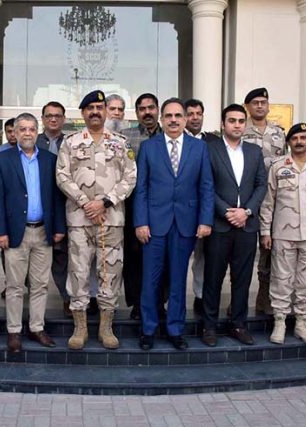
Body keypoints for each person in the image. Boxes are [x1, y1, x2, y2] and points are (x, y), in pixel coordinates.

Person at [56, 90, 136, 350]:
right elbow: (62, 176)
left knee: (109, 272)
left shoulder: (121, 143)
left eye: (99, 107)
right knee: (78, 272)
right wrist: (85, 203)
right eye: (89, 107)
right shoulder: (70, 142)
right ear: (82, 113)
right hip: (79, 219)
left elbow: (130, 178)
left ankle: (106, 327)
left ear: (105, 110)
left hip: (111, 219)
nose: (95, 112)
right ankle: (80, 328)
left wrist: (105, 202)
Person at [134, 97, 214, 351]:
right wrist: (140, 222)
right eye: (168, 116)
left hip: (185, 224)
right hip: (153, 225)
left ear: (186, 118)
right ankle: (148, 329)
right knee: (150, 280)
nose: (173, 120)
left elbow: (206, 187)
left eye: (178, 116)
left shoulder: (199, 148)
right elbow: (141, 189)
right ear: (161, 118)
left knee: (179, 280)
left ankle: (175, 329)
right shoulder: (149, 147)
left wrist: (205, 220)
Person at [0, 112, 66, 352]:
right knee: (14, 286)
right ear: (14, 132)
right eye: (22, 129)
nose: (27, 133)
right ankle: (14, 332)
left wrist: (59, 228)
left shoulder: (50, 160)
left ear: (37, 130)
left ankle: (36, 328)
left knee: (40, 284)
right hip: (14, 233)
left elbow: (57, 197)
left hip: (43, 232)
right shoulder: (2, 160)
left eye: (31, 129)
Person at [259, 123, 306, 344]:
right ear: (289, 142)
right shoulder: (278, 166)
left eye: (303, 137)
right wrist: (265, 231)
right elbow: (268, 202)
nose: (299, 141)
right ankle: (280, 322)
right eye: (295, 138)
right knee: (281, 279)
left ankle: (302, 323)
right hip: (283, 234)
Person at [201, 104, 267, 347]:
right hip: (220, 225)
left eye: (241, 120)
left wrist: (247, 211)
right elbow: (206, 185)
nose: (237, 125)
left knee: (242, 279)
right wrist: (227, 212)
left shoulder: (254, 152)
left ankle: (238, 324)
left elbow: (261, 185)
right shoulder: (210, 149)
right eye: (232, 120)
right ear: (223, 124)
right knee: (213, 278)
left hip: (246, 226)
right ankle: (209, 326)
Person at [242, 87, 287, 315]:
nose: (260, 106)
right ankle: (238, 299)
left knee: (269, 251)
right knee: (242, 252)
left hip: (273, 200)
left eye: (263, 102)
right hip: (247, 199)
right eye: (255, 102)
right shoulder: (240, 131)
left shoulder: (279, 133)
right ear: (248, 107)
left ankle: (264, 297)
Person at [121, 93, 162, 320]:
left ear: (157, 110)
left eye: (151, 108)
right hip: (134, 207)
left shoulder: (170, 135)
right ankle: (137, 303)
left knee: (161, 258)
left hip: (164, 207)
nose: (147, 112)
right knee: (135, 259)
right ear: (136, 113)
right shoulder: (126, 138)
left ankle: (159, 302)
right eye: (142, 109)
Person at [184, 98, 220, 317]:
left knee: (203, 257)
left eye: (199, 113)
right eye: (190, 113)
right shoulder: (174, 140)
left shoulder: (214, 142)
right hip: (182, 210)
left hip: (208, 209)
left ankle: (200, 295)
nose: (195, 117)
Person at [36, 101, 70, 317]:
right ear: (43, 119)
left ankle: (68, 298)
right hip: (38, 207)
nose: (53, 119)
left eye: (57, 115)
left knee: (63, 256)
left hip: (66, 204)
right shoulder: (33, 141)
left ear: (64, 119)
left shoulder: (73, 142)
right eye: (49, 115)